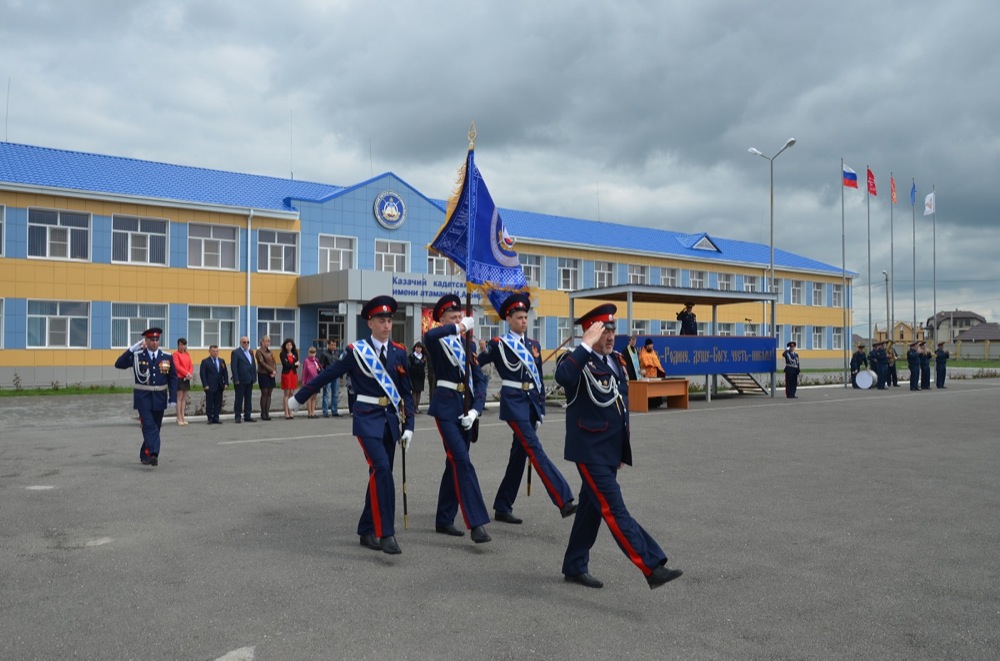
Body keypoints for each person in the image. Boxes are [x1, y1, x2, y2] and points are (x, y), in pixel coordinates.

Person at [556, 304, 682, 590]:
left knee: (591, 509)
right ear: (590, 332)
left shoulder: (616, 361)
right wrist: (585, 345)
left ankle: (574, 565)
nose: (611, 335)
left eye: (613, 329)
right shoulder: (576, 361)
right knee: (614, 508)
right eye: (604, 330)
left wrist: (621, 450)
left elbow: (620, 409)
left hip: (609, 451)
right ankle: (651, 566)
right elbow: (563, 378)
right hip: (588, 451)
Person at [288, 295, 415, 555]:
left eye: (389, 320)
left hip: (391, 421)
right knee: (381, 469)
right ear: (370, 323)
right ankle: (386, 533)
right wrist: (299, 397)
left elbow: (406, 392)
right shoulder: (357, 352)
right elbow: (329, 374)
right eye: (381, 320)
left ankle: (366, 529)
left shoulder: (399, 352)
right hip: (367, 419)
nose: (386, 325)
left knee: (379, 474)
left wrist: (410, 425)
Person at [479, 293, 576, 525]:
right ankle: (564, 499)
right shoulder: (498, 345)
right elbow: (474, 364)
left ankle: (503, 505)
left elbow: (539, 380)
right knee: (534, 448)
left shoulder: (533, 345)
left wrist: (541, 408)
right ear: (509, 320)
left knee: (519, 454)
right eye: (519, 317)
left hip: (531, 404)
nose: (524, 321)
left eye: (526, 317)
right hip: (513, 404)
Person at [424, 294, 491, 544]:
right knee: (462, 459)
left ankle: (444, 518)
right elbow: (430, 336)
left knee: (454, 463)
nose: (459, 321)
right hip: (446, 409)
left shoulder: (468, 344)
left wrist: (476, 409)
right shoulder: (438, 340)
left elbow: (479, 379)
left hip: (466, 409)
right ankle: (476, 523)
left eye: (460, 317)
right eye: (453, 318)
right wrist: (459, 328)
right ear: (442, 319)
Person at [115, 327, 178, 466]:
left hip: (160, 397)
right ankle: (154, 453)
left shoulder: (167, 357)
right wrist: (132, 349)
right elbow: (118, 364)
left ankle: (145, 453)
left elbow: (173, 378)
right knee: (149, 425)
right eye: (151, 340)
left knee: (156, 426)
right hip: (143, 397)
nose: (155, 342)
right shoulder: (138, 355)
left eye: (157, 339)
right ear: (146, 341)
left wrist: (173, 398)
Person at [231, 335, 258, 423]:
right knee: (239, 398)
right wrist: (236, 379)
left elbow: (253, 365)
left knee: (248, 398)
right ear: (240, 343)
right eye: (244, 342)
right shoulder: (236, 352)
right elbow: (234, 367)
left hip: (249, 379)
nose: (246, 344)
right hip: (240, 379)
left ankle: (248, 415)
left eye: (247, 342)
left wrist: (254, 377)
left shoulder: (250, 352)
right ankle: (237, 416)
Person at [200, 345, 228, 424]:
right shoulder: (205, 361)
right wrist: (205, 384)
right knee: (210, 402)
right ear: (209, 352)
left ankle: (216, 417)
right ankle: (210, 418)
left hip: (219, 385)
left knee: (218, 402)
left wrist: (226, 382)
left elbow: (225, 373)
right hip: (210, 385)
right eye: (213, 351)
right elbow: (203, 374)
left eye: (217, 351)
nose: (215, 353)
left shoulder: (221, 361)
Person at [319, 339, 343, 418]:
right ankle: (325, 411)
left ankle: (334, 410)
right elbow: (320, 366)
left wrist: (341, 376)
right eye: (332, 345)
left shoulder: (337, 354)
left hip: (335, 376)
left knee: (335, 394)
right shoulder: (324, 354)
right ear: (328, 345)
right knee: (326, 393)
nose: (333, 346)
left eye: (335, 345)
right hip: (327, 375)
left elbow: (340, 365)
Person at [172, 338, 193, 425]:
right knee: (179, 398)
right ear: (178, 345)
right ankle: (179, 417)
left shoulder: (187, 353)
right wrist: (186, 373)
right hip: (179, 377)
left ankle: (183, 416)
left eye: (184, 345)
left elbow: (190, 365)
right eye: (181, 344)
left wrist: (190, 373)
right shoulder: (175, 354)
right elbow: (177, 366)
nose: (182, 346)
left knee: (184, 398)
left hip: (187, 378)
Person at [256, 335, 277, 420]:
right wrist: (271, 370)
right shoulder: (259, 352)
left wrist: (274, 371)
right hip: (263, 374)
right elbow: (262, 363)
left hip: (271, 374)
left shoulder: (270, 352)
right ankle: (263, 413)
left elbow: (274, 362)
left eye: (269, 341)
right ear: (262, 342)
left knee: (269, 393)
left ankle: (267, 412)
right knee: (264, 393)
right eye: (266, 341)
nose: (268, 343)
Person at [280, 338, 300, 419]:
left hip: (293, 374)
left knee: (292, 393)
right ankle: (286, 412)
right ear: (285, 346)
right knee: (286, 393)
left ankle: (290, 410)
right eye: (287, 345)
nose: (289, 346)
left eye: (290, 345)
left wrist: (293, 364)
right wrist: (294, 364)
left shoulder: (295, 353)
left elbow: (297, 365)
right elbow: (286, 365)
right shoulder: (282, 354)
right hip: (286, 375)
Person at [302, 346, 322, 418]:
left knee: (314, 397)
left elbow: (320, 371)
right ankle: (309, 413)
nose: (312, 354)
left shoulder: (316, 361)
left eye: (314, 352)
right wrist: (303, 383)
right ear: (308, 353)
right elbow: (304, 373)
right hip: (309, 381)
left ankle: (313, 412)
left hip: (316, 381)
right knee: (309, 397)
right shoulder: (306, 361)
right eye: (311, 352)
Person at [408, 341, 427, 414]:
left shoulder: (424, 356)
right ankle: (413, 407)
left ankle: (417, 407)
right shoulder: (411, 356)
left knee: (419, 392)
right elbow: (409, 366)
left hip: (421, 377)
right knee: (414, 391)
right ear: (415, 348)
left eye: (420, 348)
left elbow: (424, 366)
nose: (418, 349)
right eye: (417, 347)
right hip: (414, 376)